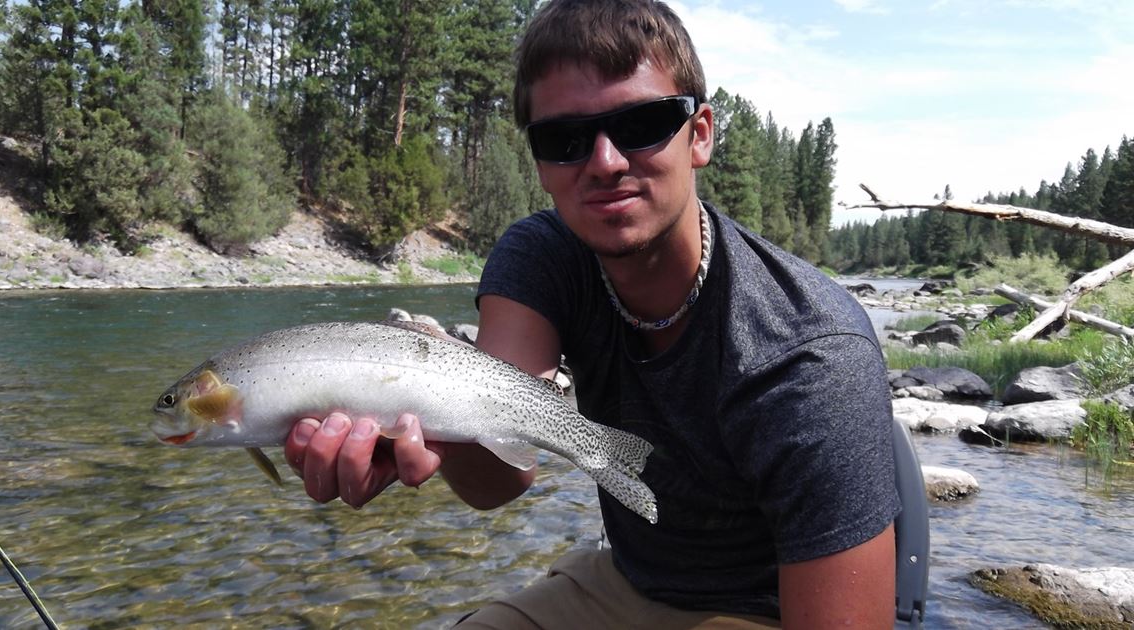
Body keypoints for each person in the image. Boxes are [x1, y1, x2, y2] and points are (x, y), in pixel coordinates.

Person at [284, 0, 900, 627]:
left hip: (767, 607)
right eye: (565, 139)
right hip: (619, 584)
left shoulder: (811, 354)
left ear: (702, 134)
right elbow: (501, 475)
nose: (605, 161)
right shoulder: (544, 256)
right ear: (540, 165)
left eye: (642, 123)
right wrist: (420, 432)